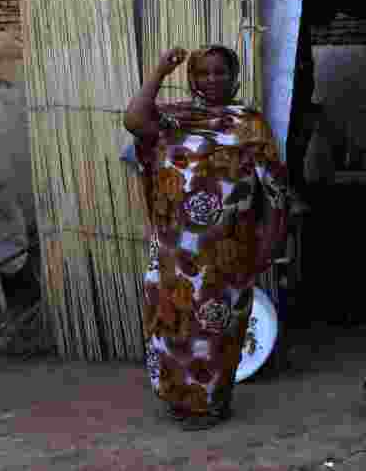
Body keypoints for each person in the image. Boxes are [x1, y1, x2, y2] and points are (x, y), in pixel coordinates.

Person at [124, 45, 289, 430]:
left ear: (234, 77)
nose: (212, 80)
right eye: (203, 73)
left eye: (220, 72)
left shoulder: (249, 123)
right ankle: (179, 399)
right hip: (172, 249)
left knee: (219, 326)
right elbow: (134, 120)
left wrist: (270, 241)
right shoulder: (172, 119)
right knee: (173, 324)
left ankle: (212, 404)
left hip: (226, 249)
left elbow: (276, 191)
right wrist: (159, 72)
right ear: (191, 79)